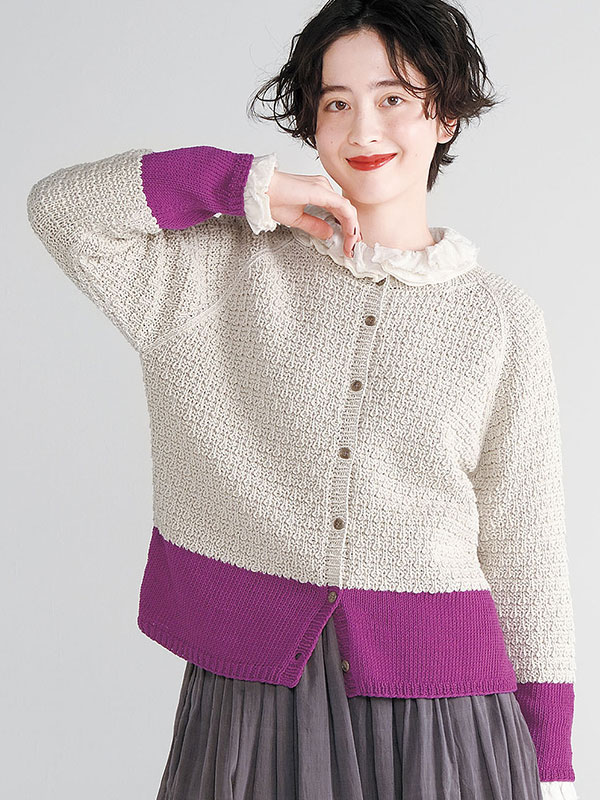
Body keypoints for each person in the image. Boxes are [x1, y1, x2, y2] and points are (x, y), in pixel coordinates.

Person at [26, 1, 578, 798]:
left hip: (449, 710)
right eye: (336, 103)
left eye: (394, 98)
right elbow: (62, 210)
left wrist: (551, 760)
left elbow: (527, 545)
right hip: (255, 696)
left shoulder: (501, 319)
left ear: (445, 116)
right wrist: (246, 187)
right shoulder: (217, 273)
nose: (363, 129)